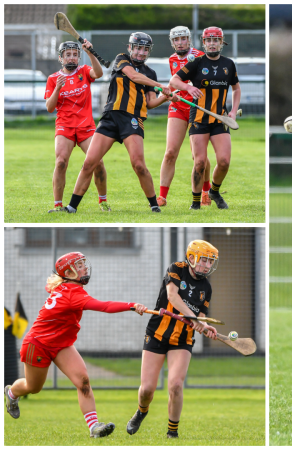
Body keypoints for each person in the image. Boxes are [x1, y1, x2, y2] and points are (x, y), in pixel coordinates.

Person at [3, 252, 148, 437]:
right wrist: (132, 305)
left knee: (83, 381)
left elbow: (51, 287)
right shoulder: (73, 293)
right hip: (38, 344)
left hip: (62, 344)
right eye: (79, 266)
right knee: (34, 388)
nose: (85, 268)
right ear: (69, 273)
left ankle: (94, 428)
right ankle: (12, 393)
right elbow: (104, 306)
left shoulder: (66, 287)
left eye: (83, 264)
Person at [62, 32, 175, 214]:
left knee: (138, 164)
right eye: (137, 48)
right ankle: (71, 206)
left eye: (145, 50)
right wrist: (161, 85)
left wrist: (166, 97)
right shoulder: (121, 60)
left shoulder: (149, 72)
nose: (140, 53)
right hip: (110, 118)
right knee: (89, 162)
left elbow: (150, 103)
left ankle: (154, 205)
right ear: (130, 47)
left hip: (132, 119)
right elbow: (134, 76)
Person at [127, 240, 219, 439]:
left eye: (210, 262)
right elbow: (172, 296)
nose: (207, 265)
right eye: (204, 260)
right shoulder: (177, 269)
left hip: (182, 339)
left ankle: (172, 433)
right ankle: (142, 411)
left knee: (176, 385)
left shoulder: (206, 287)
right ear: (192, 258)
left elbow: (201, 316)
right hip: (157, 334)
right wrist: (192, 318)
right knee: (147, 389)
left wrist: (204, 327)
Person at [169, 27, 241, 210]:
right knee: (200, 162)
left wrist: (233, 111)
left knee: (224, 161)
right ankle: (195, 202)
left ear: (221, 42)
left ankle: (214, 191)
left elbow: (236, 88)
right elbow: (174, 81)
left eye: (216, 40)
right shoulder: (196, 63)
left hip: (220, 119)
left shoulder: (229, 64)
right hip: (199, 119)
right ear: (203, 42)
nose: (212, 43)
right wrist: (188, 88)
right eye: (209, 40)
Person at [45, 40, 110, 213]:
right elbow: (50, 108)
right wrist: (57, 88)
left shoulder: (84, 71)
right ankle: (58, 205)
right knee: (60, 163)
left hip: (86, 126)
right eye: (68, 55)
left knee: (98, 163)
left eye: (75, 55)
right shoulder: (53, 79)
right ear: (61, 58)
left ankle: (103, 201)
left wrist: (90, 52)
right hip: (64, 126)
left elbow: (99, 73)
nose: (72, 58)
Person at [156, 26, 212, 208]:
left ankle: (205, 192)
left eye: (183, 39)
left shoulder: (200, 56)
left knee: (199, 156)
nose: (180, 42)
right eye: (176, 40)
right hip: (178, 107)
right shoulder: (172, 59)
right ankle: (162, 196)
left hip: (197, 109)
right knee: (170, 152)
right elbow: (175, 82)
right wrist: (167, 94)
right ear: (172, 42)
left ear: (189, 40)